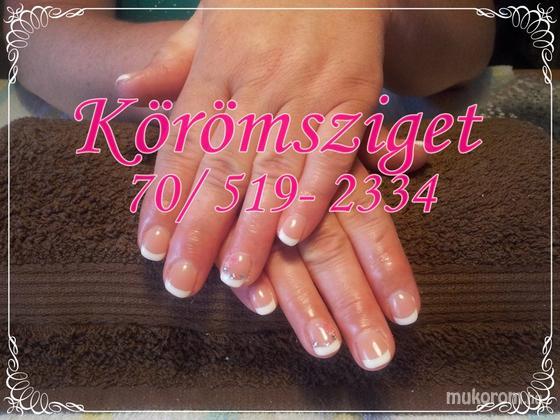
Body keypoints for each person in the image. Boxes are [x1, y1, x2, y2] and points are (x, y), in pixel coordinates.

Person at [7, 0, 495, 370]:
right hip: (177, 131)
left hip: (377, 116)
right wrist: (238, 65)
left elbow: (471, 35)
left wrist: (358, 14)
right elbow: (34, 35)